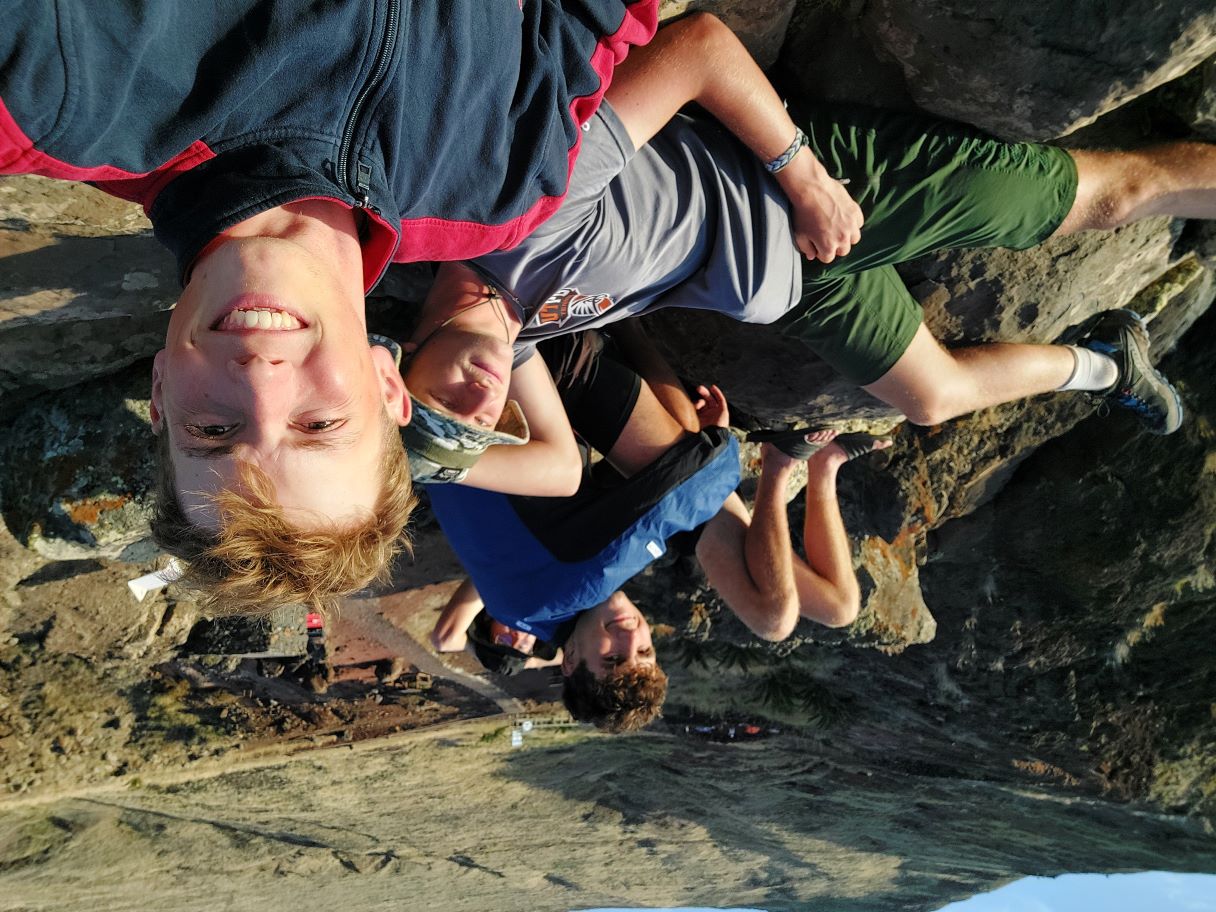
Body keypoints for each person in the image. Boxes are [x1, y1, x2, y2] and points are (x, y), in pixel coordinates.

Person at [0, 0, 657, 612]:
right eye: (317, 425)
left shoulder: (63, 95)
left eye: (212, 432)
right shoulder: (499, 195)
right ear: (388, 386)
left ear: (160, 390)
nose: (260, 380)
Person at [401, 11, 1203, 482]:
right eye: (483, 423)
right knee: (931, 399)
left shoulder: (514, 223)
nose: (480, 401)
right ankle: (1105, 362)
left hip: (820, 185)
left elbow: (700, 47)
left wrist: (805, 177)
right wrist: (441, 465)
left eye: (443, 407)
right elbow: (559, 470)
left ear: (392, 371)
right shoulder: (511, 335)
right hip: (806, 287)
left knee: (1113, 198)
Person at [426, 328, 887, 732]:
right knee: (837, 608)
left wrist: (718, 442)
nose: (632, 636)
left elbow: (694, 474)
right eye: (645, 652)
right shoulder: (528, 608)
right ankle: (822, 467)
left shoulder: (578, 583)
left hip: (525, 373)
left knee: (774, 618)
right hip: (477, 419)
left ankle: (779, 463)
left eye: (612, 658)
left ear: (569, 662)